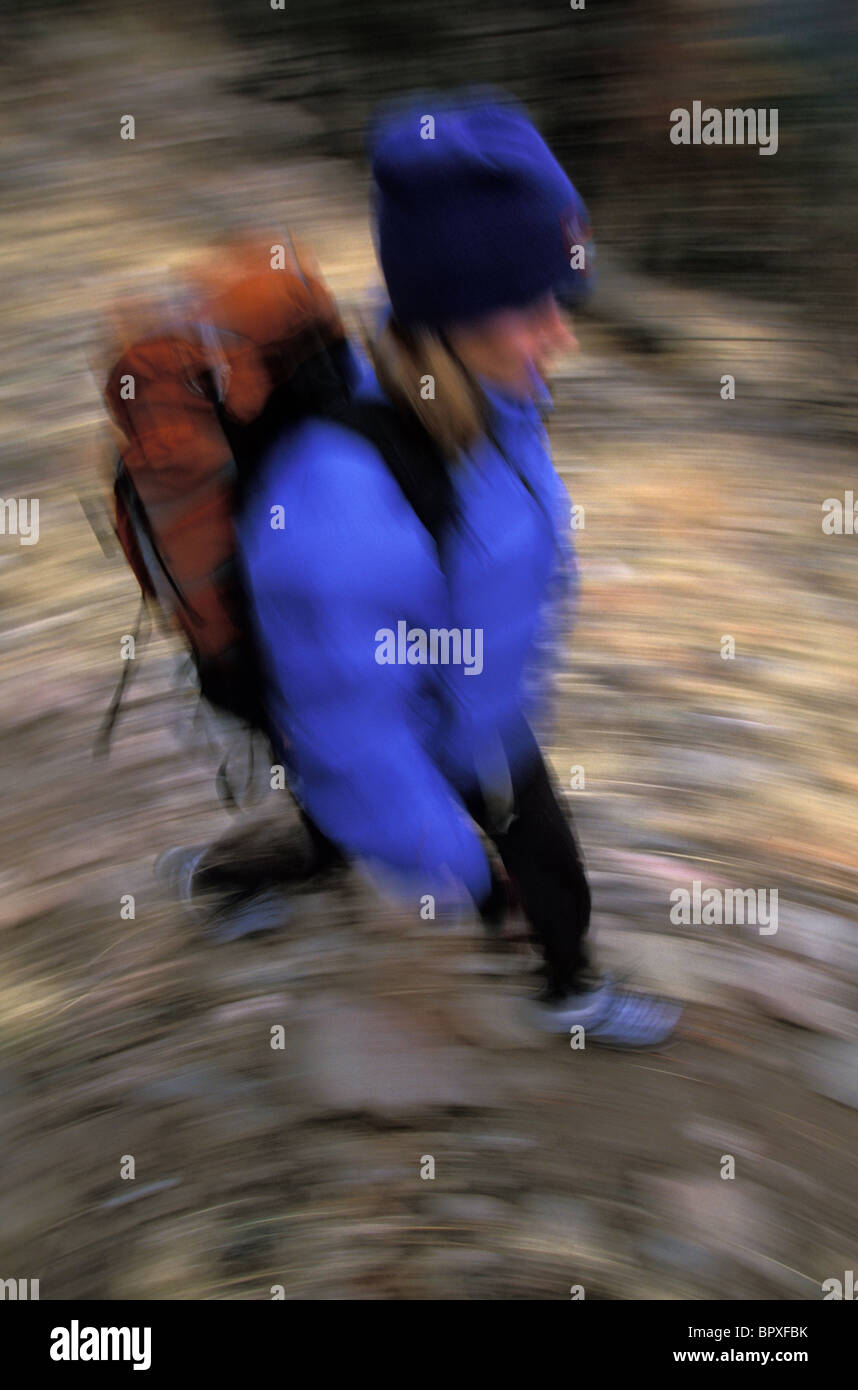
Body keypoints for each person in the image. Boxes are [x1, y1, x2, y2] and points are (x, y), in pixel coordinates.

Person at [183, 93, 681, 1047]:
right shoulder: (336, 494)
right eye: (533, 308)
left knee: (520, 863)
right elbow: (347, 729)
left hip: (478, 710)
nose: (562, 337)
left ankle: (567, 983)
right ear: (453, 310)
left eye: (562, 303)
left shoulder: (494, 387)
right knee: (368, 830)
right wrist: (452, 869)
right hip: (411, 728)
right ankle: (221, 884)